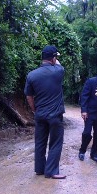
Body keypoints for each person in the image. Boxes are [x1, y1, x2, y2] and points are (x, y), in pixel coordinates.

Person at [24, 45, 66, 179]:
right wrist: (56, 60)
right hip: (55, 116)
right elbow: (58, 64)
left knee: (40, 142)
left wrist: (34, 109)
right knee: (55, 142)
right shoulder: (58, 71)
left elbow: (29, 96)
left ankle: (39, 169)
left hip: (40, 114)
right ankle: (52, 171)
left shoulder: (31, 75)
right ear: (53, 58)